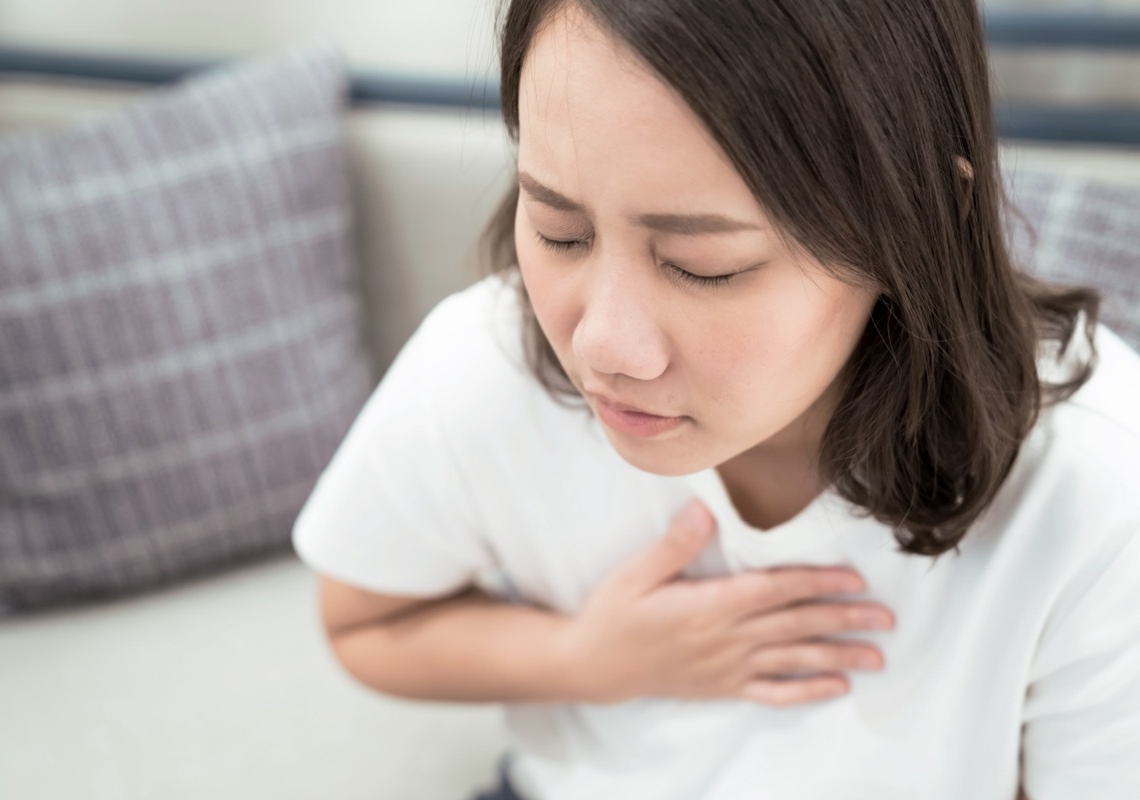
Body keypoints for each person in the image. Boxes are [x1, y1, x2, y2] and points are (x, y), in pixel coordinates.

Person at [292, 0, 1140, 798]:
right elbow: (367, 620)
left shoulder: (1093, 483)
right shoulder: (485, 366)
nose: (601, 348)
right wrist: (589, 659)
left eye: (705, 267)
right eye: (559, 231)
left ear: (914, 223)